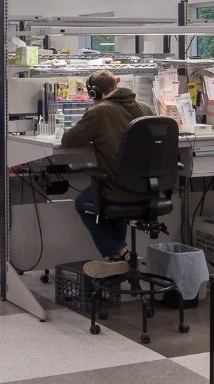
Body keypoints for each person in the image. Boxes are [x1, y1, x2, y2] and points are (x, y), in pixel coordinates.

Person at [62, 70, 154, 277]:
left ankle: (119, 252)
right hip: (148, 189)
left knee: (82, 204)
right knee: (111, 198)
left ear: (93, 93)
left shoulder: (100, 111)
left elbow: (68, 141)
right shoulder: (145, 108)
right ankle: (118, 258)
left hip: (117, 187)